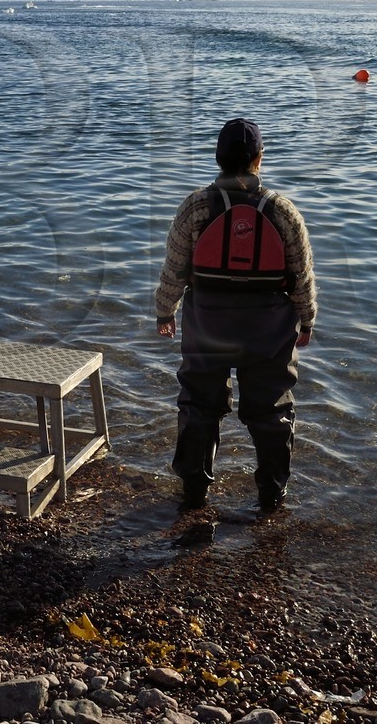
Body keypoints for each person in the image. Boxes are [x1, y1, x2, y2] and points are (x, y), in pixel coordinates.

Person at [154, 118, 317, 512]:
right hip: (269, 329)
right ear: (259, 160)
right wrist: (306, 319)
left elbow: (175, 267)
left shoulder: (195, 205)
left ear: (218, 158)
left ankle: (194, 490)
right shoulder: (282, 210)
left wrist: (165, 309)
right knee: (272, 408)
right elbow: (301, 274)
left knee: (199, 404)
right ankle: (271, 494)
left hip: (207, 321)